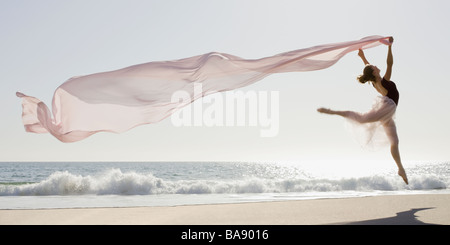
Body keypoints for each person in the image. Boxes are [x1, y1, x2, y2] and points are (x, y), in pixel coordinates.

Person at [317, 37, 408, 184]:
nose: (376, 66)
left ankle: (400, 168)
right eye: (374, 67)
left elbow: (368, 67)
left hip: (387, 112)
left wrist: (362, 56)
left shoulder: (374, 81)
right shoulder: (382, 81)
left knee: (394, 141)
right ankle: (332, 111)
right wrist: (390, 47)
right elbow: (390, 64)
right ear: (374, 72)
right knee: (362, 119)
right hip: (388, 108)